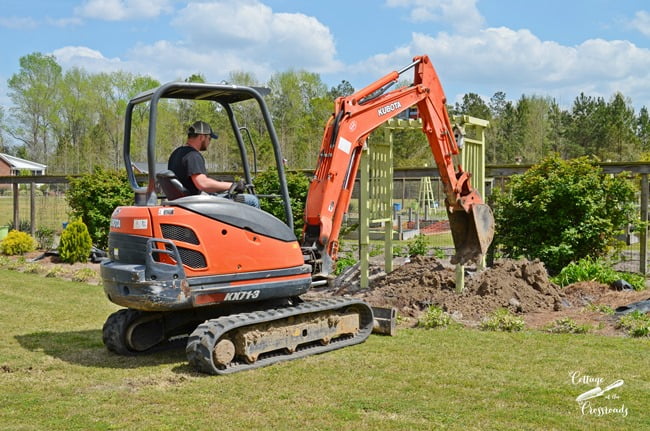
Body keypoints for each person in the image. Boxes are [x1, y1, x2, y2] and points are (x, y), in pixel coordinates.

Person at [168, 120, 259, 207]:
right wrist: (232, 185)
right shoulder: (193, 156)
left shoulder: (176, 153)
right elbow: (202, 183)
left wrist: (219, 185)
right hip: (196, 203)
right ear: (202, 137)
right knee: (251, 200)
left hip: (186, 201)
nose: (209, 142)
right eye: (209, 138)